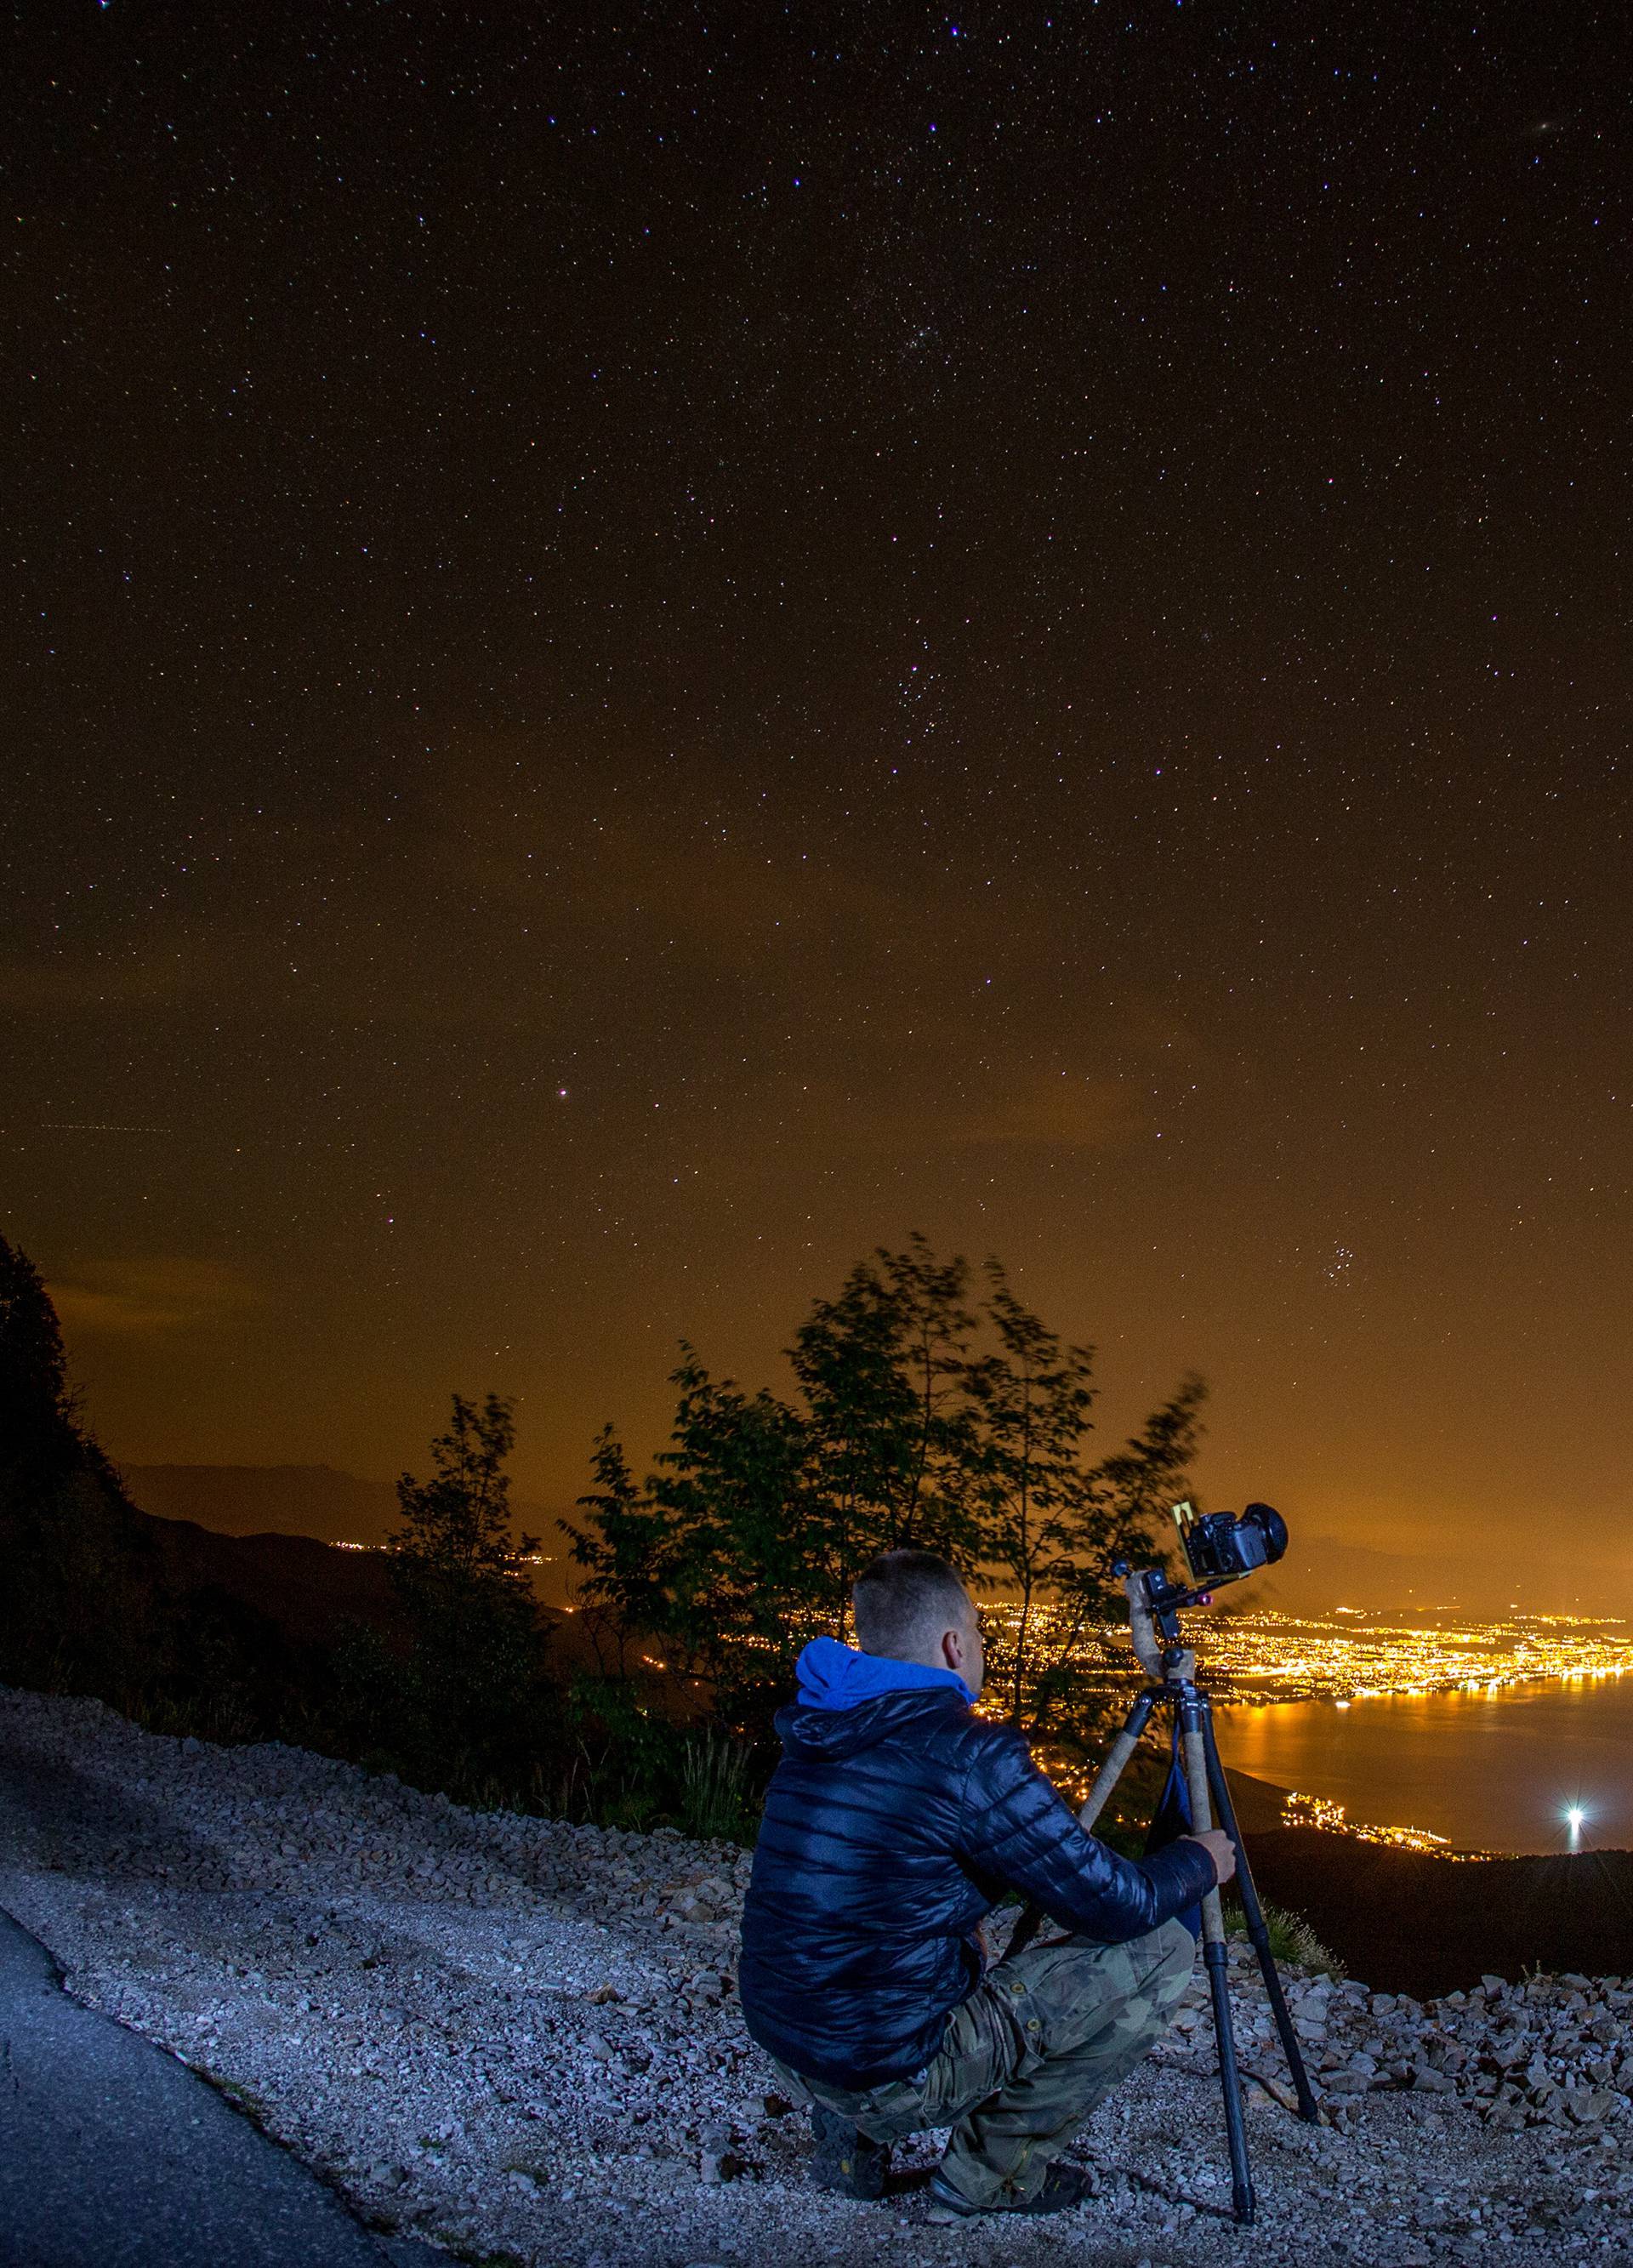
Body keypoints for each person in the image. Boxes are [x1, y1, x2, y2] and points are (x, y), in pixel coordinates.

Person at [738, 1547, 1235, 2223]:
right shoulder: (968, 1754)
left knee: (894, 1929)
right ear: (951, 1646)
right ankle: (987, 2177)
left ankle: (847, 2140)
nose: (979, 1645)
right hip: (889, 2071)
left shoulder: (820, 1726)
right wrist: (1201, 1860)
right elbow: (1123, 1905)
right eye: (975, 1631)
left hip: (790, 2043)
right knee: (1165, 1952)